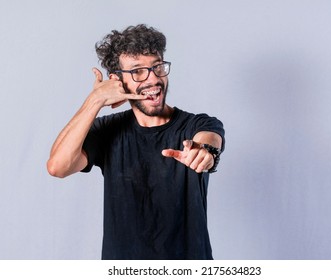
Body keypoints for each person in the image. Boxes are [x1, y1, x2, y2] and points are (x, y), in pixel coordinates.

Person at [47, 24, 225, 260]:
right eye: (138, 71)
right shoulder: (107, 130)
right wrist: (95, 100)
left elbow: (209, 139)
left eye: (157, 67)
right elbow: (58, 167)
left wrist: (204, 151)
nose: (153, 79)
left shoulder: (197, 124)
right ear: (117, 81)